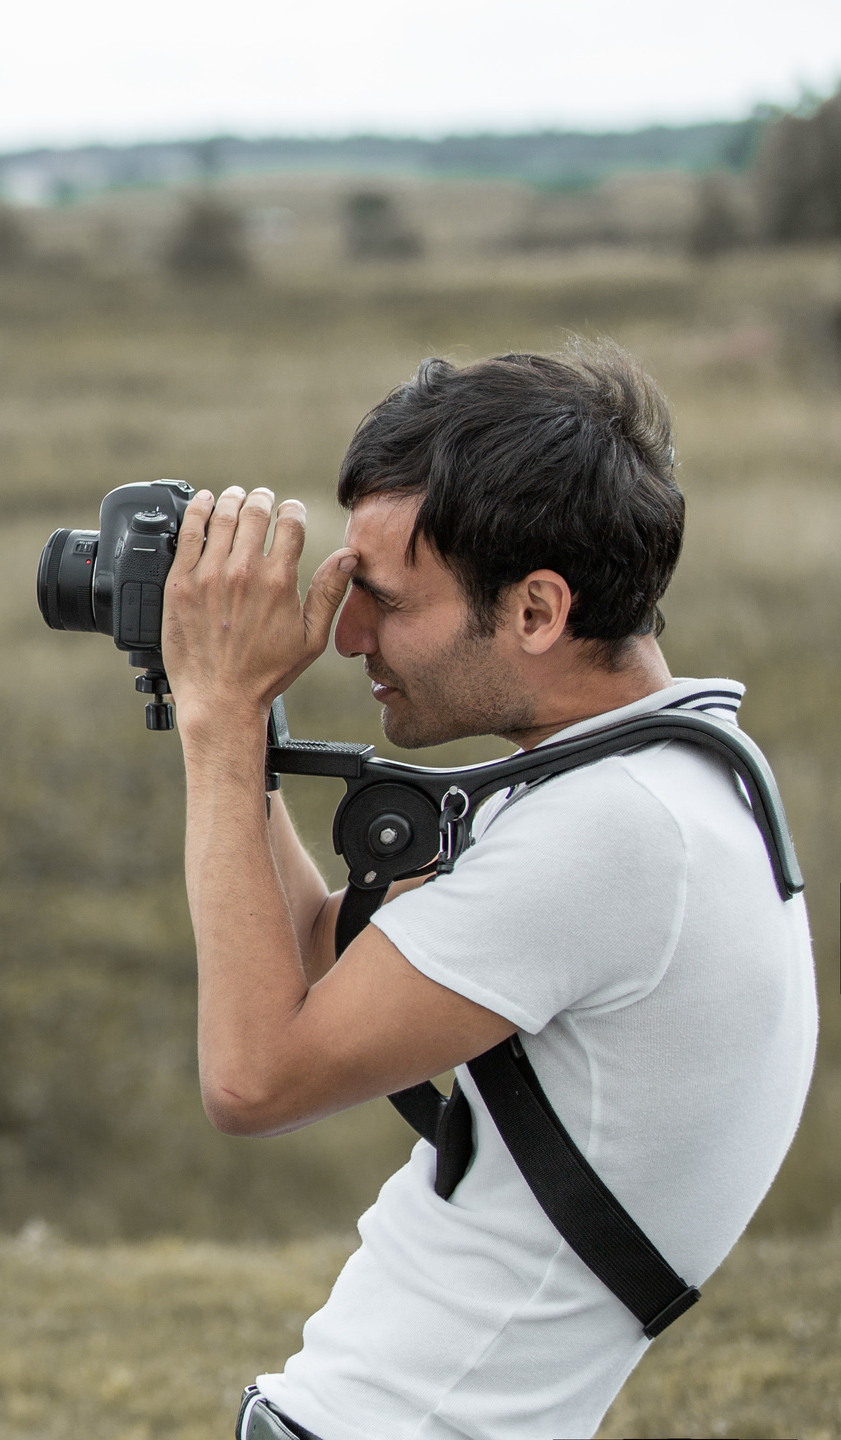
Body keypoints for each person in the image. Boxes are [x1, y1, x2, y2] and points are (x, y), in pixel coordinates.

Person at [159, 345, 815, 1439]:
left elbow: (253, 1080)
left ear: (535, 609)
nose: (347, 635)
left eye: (381, 600)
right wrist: (240, 718)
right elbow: (323, 953)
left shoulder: (615, 833)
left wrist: (217, 726)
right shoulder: (662, 776)